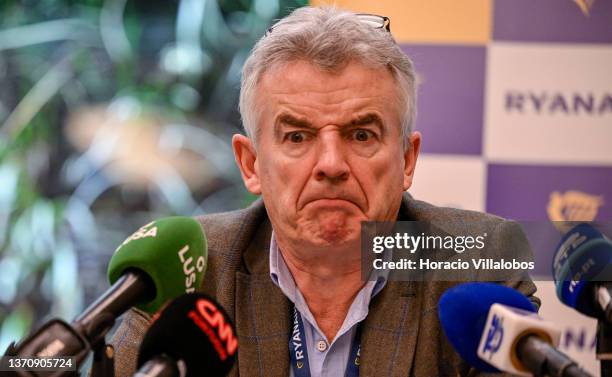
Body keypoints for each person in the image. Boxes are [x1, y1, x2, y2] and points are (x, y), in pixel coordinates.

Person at [110, 6, 539, 377]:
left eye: (361, 135)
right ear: (251, 164)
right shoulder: (189, 273)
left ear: (407, 160)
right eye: (297, 137)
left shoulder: (477, 264)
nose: (331, 164)